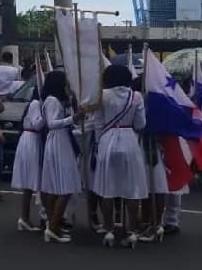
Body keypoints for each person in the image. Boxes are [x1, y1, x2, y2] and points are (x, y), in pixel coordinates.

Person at [91, 65, 147, 249]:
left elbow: (97, 123)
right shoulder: (136, 96)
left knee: (108, 189)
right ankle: (132, 231)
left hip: (108, 140)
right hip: (129, 139)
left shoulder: (103, 95)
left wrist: (100, 145)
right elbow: (141, 124)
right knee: (131, 189)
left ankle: (108, 229)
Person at [39, 71, 84, 244]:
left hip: (60, 140)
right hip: (58, 140)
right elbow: (51, 123)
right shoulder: (52, 100)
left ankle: (54, 225)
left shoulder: (57, 101)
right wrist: (71, 118)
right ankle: (53, 226)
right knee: (64, 187)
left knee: (56, 187)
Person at [11, 88, 44, 231]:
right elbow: (37, 124)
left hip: (31, 140)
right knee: (30, 181)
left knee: (29, 183)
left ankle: (25, 217)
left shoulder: (36, 103)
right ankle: (25, 218)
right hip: (31, 139)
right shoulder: (36, 104)